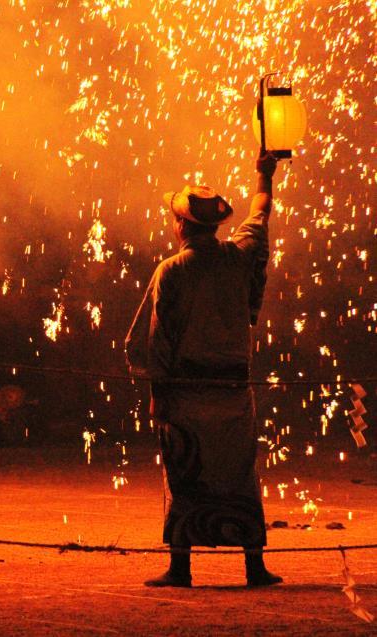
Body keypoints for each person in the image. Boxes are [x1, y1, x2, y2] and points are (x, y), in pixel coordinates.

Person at [125, 153, 282, 587]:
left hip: (188, 392)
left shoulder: (171, 271)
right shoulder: (239, 258)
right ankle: (254, 566)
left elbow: (158, 340)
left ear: (181, 227)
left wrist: (157, 391)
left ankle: (181, 567)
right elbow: (260, 214)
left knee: (185, 471)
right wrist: (264, 174)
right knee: (238, 473)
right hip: (233, 392)